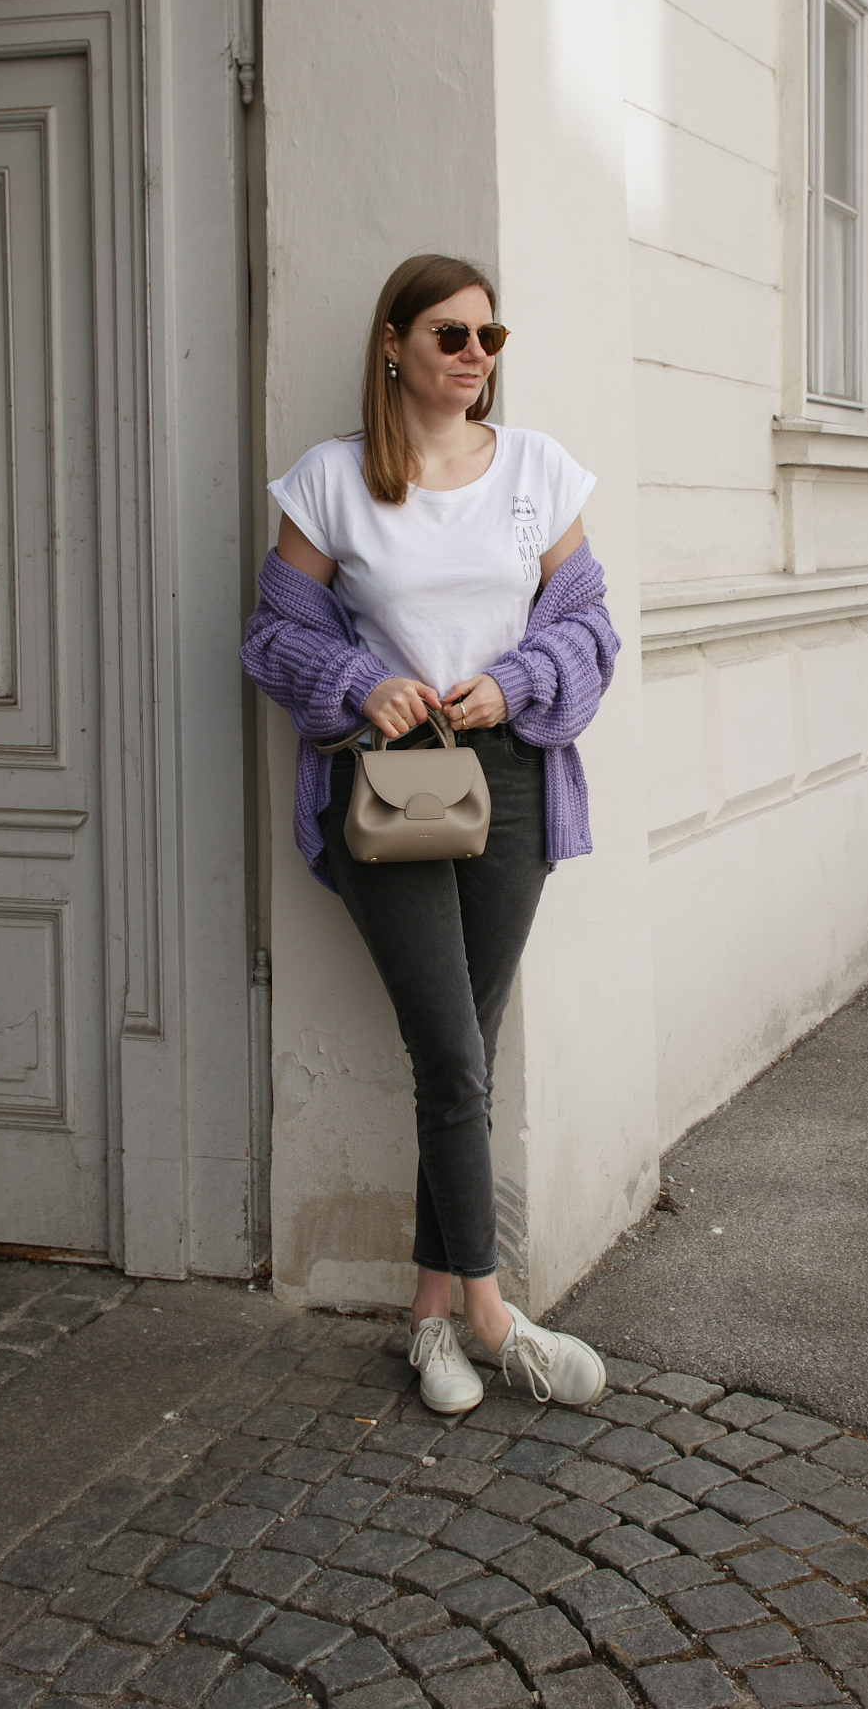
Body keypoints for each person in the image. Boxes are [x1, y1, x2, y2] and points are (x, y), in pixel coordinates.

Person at [241, 253, 620, 1415]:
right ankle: (495, 1314)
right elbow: (272, 632)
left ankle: (425, 1318)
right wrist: (360, 679)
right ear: (393, 343)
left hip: (507, 782)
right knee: (453, 1059)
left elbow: (592, 629)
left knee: (463, 1059)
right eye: (450, 335)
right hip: (392, 790)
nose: (474, 356)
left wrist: (511, 685)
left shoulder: (539, 472)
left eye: (489, 338)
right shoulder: (333, 481)